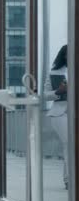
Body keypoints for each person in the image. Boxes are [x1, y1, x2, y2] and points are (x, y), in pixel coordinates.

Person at [44, 44, 68, 190]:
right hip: (60, 113)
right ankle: (69, 180)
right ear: (63, 56)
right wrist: (58, 91)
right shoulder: (55, 73)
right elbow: (45, 95)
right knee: (69, 145)